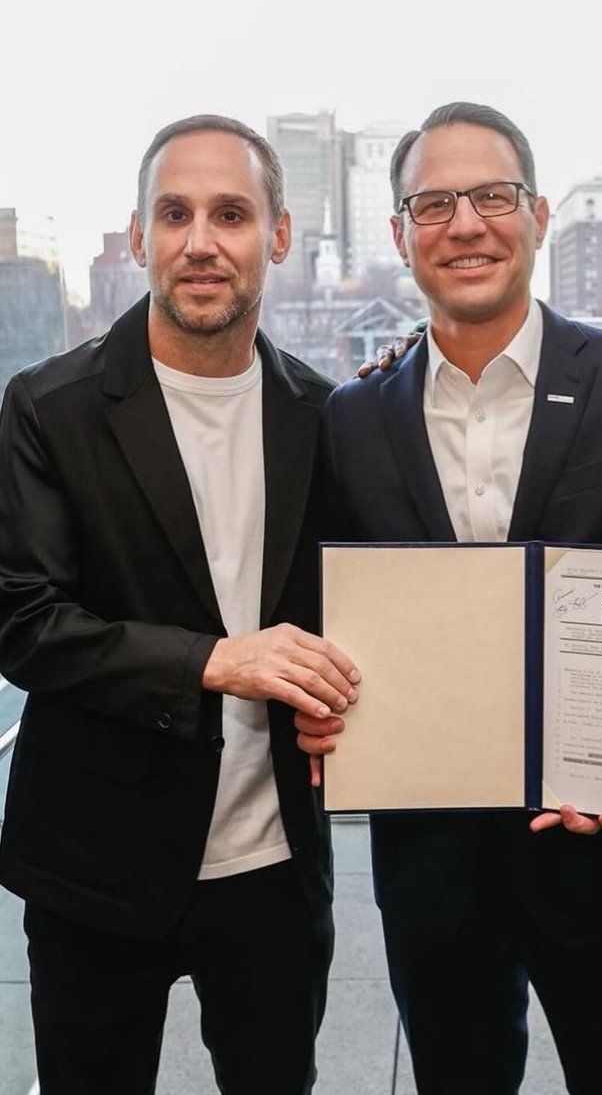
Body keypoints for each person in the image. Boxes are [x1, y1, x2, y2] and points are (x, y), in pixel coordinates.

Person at [297, 101, 602, 1095]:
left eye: (490, 196)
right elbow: (332, 609)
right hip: (432, 861)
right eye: (432, 203)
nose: (465, 224)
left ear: (535, 215)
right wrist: (321, 701)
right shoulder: (352, 418)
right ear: (400, 234)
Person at [0, 114, 360, 1094]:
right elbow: (21, 620)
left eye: (231, 213)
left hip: (276, 872)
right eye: (176, 213)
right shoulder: (48, 407)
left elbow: (365, 616)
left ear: (277, 236)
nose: (201, 240)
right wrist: (213, 662)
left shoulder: (326, 416)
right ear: (138, 237)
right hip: (93, 872)